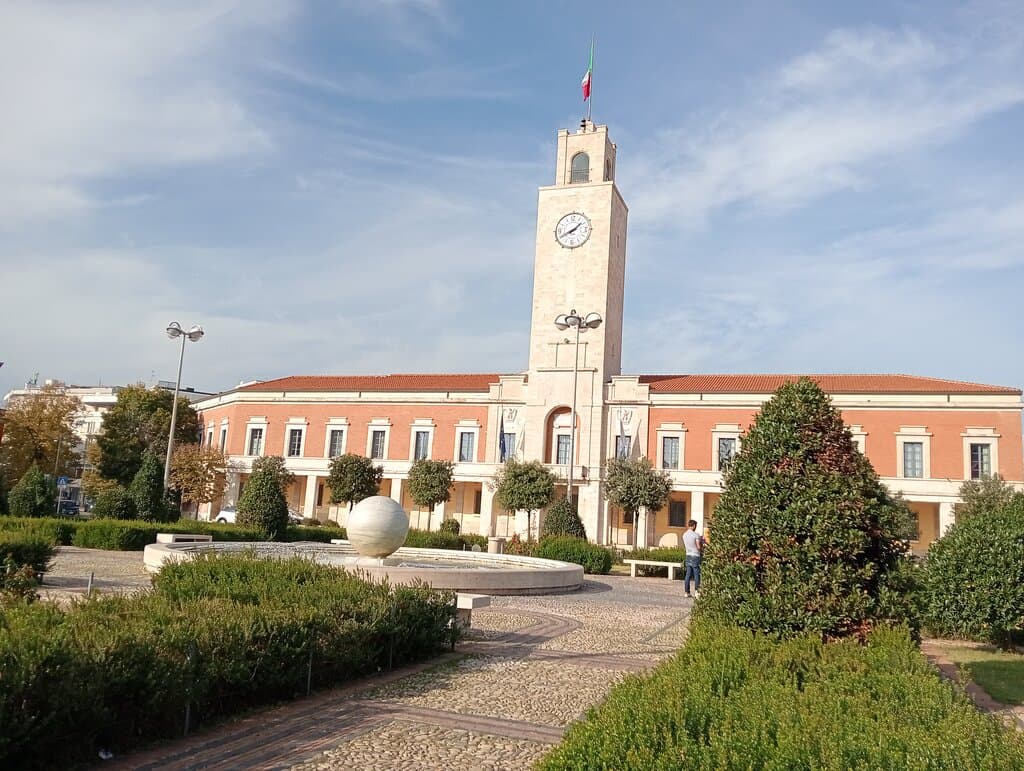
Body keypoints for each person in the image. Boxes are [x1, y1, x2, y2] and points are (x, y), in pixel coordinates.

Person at [681, 519, 703, 598]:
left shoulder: (684, 535)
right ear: (693, 526)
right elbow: (698, 546)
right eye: (695, 526)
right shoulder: (696, 535)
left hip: (688, 555)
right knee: (697, 574)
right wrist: (702, 549)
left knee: (688, 574)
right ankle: (697, 592)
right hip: (695, 555)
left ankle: (687, 592)